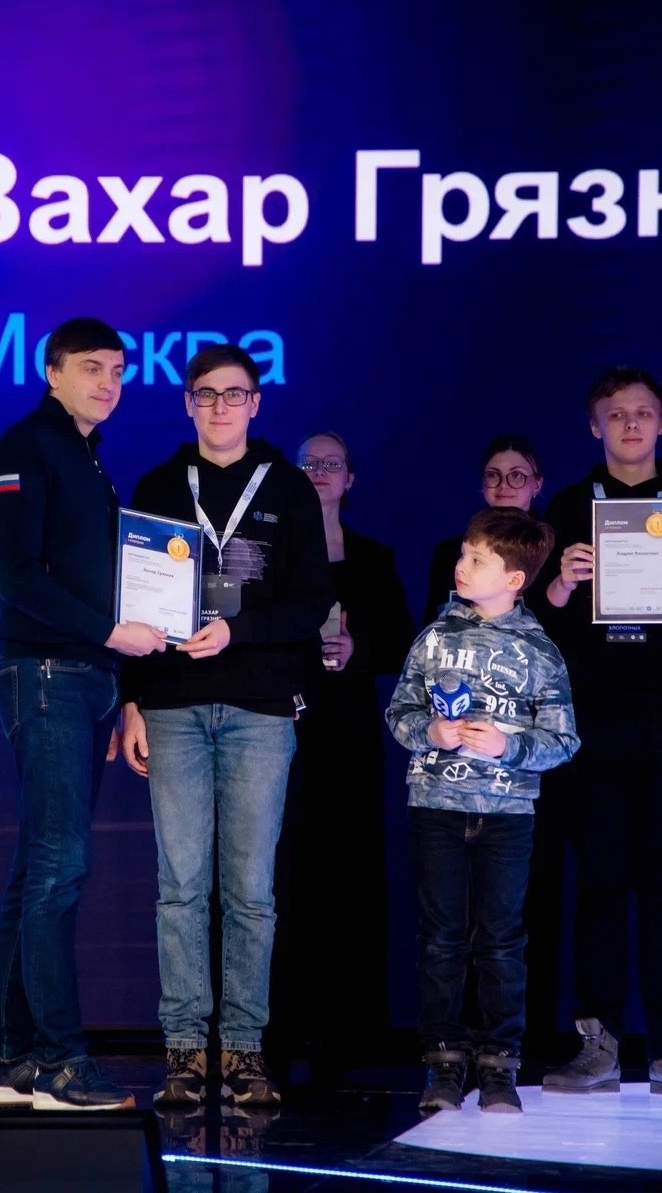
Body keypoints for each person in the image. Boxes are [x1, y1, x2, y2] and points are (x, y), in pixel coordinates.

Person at [120, 344, 334, 1109]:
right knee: (179, 888)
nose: (219, 407)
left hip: (259, 706)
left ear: (255, 403)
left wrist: (237, 632)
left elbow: (311, 601)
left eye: (233, 394)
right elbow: (131, 603)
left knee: (248, 892)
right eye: (206, 394)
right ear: (187, 403)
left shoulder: (286, 487)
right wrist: (132, 700)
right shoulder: (157, 485)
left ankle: (242, 1051)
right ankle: (184, 1052)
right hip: (172, 705)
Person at [0, 317, 167, 1111]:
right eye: (91, 367)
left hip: (84, 676)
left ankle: (5, 1059)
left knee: (37, 868)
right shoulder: (26, 448)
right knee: (58, 868)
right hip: (48, 674)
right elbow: (16, 577)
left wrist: (120, 680)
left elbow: (92, 579)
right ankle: (59, 1064)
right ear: (51, 372)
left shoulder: (86, 456)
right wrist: (109, 635)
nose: (108, 382)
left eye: (117, 370)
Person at [386, 507, 579, 1113]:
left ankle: (499, 1064)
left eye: (477, 559)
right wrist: (430, 732)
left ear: (514, 579)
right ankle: (444, 1062)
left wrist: (508, 747)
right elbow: (399, 712)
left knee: (500, 939)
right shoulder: (434, 638)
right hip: (436, 807)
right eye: (463, 554)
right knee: (441, 938)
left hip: (507, 815)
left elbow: (564, 739)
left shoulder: (540, 651)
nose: (461, 566)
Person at [271, 431, 414, 1071]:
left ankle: (352, 1031)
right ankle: (284, 1028)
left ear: (350, 479)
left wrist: (359, 650)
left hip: (351, 732)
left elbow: (402, 640)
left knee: (352, 873)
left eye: (332, 463)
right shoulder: (274, 553)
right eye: (310, 463)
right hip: (284, 727)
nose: (320, 471)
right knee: (286, 875)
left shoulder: (376, 558)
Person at [540, 367, 662, 1095]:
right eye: (616, 414)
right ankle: (600, 1044)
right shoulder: (567, 505)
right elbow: (539, 619)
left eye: (643, 412)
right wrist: (561, 581)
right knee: (602, 882)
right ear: (594, 426)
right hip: (595, 723)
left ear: (660, 423)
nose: (630, 424)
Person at [423, 435, 545, 625]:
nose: (503, 485)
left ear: (537, 484)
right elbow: (434, 625)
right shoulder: (448, 553)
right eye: (493, 475)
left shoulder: (555, 551)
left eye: (516, 475)